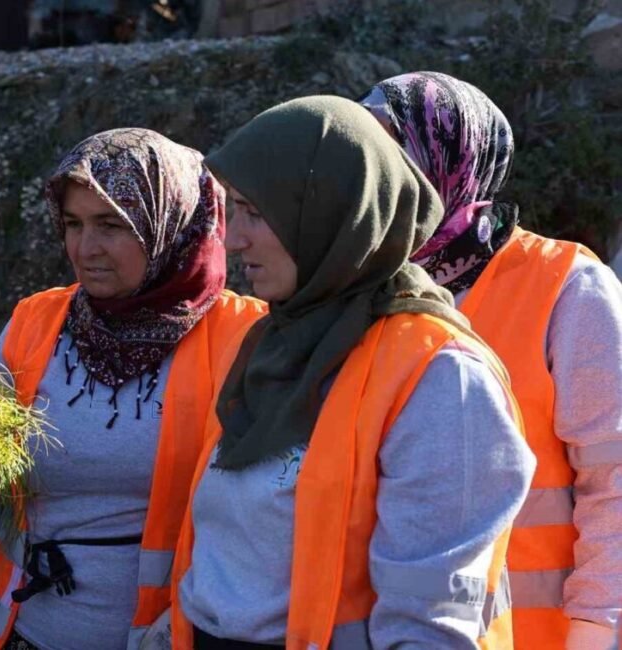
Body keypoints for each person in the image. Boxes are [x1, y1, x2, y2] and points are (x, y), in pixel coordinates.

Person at [162, 96, 535, 649]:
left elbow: (430, 625)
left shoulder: (441, 377)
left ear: (333, 214)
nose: (234, 239)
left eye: (257, 214)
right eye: (233, 210)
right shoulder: (274, 342)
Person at [0, 128, 267, 650]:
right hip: (23, 635)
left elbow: (264, 517)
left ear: (169, 224)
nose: (85, 248)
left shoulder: (244, 338)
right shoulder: (36, 323)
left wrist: (185, 618)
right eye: (73, 224)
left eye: (111, 225)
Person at [360, 70, 622, 649]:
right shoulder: (359, 288)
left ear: (446, 158)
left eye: (390, 150)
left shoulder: (568, 285)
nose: (371, 174)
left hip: (541, 634)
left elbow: (615, 481)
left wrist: (597, 630)